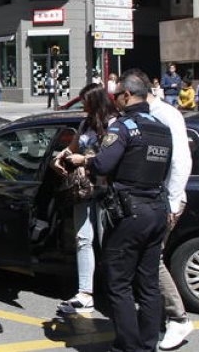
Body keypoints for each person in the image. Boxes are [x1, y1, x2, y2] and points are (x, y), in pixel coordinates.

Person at [64, 72, 173, 352]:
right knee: (148, 284)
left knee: (119, 282)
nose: (115, 99)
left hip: (129, 212)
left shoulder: (123, 127)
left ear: (127, 95)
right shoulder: (162, 129)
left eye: (117, 95)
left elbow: (103, 165)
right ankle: (148, 344)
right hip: (157, 209)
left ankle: (128, 346)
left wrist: (84, 161)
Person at [52, 84, 115, 315]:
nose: (83, 105)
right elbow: (72, 147)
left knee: (107, 241)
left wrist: (85, 160)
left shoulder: (113, 124)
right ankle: (85, 293)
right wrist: (61, 157)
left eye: (86, 101)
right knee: (83, 239)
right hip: (83, 189)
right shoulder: (85, 124)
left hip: (106, 191)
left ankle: (115, 291)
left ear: (96, 101)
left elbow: (112, 157)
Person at [145, 74, 194, 351]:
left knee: (152, 259)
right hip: (153, 200)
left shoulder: (166, 115)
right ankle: (159, 314)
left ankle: (178, 318)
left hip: (164, 201)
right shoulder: (149, 115)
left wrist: (172, 203)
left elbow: (181, 161)